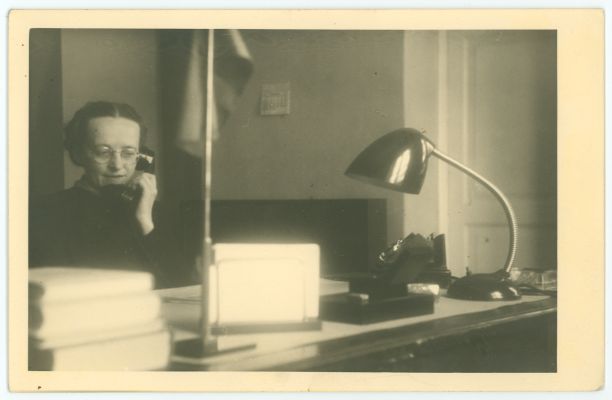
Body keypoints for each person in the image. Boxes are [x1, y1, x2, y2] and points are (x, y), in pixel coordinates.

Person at [29, 101, 186, 288]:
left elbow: (182, 287)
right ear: (78, 153)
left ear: (142, 157)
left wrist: (145, 222)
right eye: (103, 152)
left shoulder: (153, 212)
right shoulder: (45, 213)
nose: (117, 165)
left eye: (128, 153)